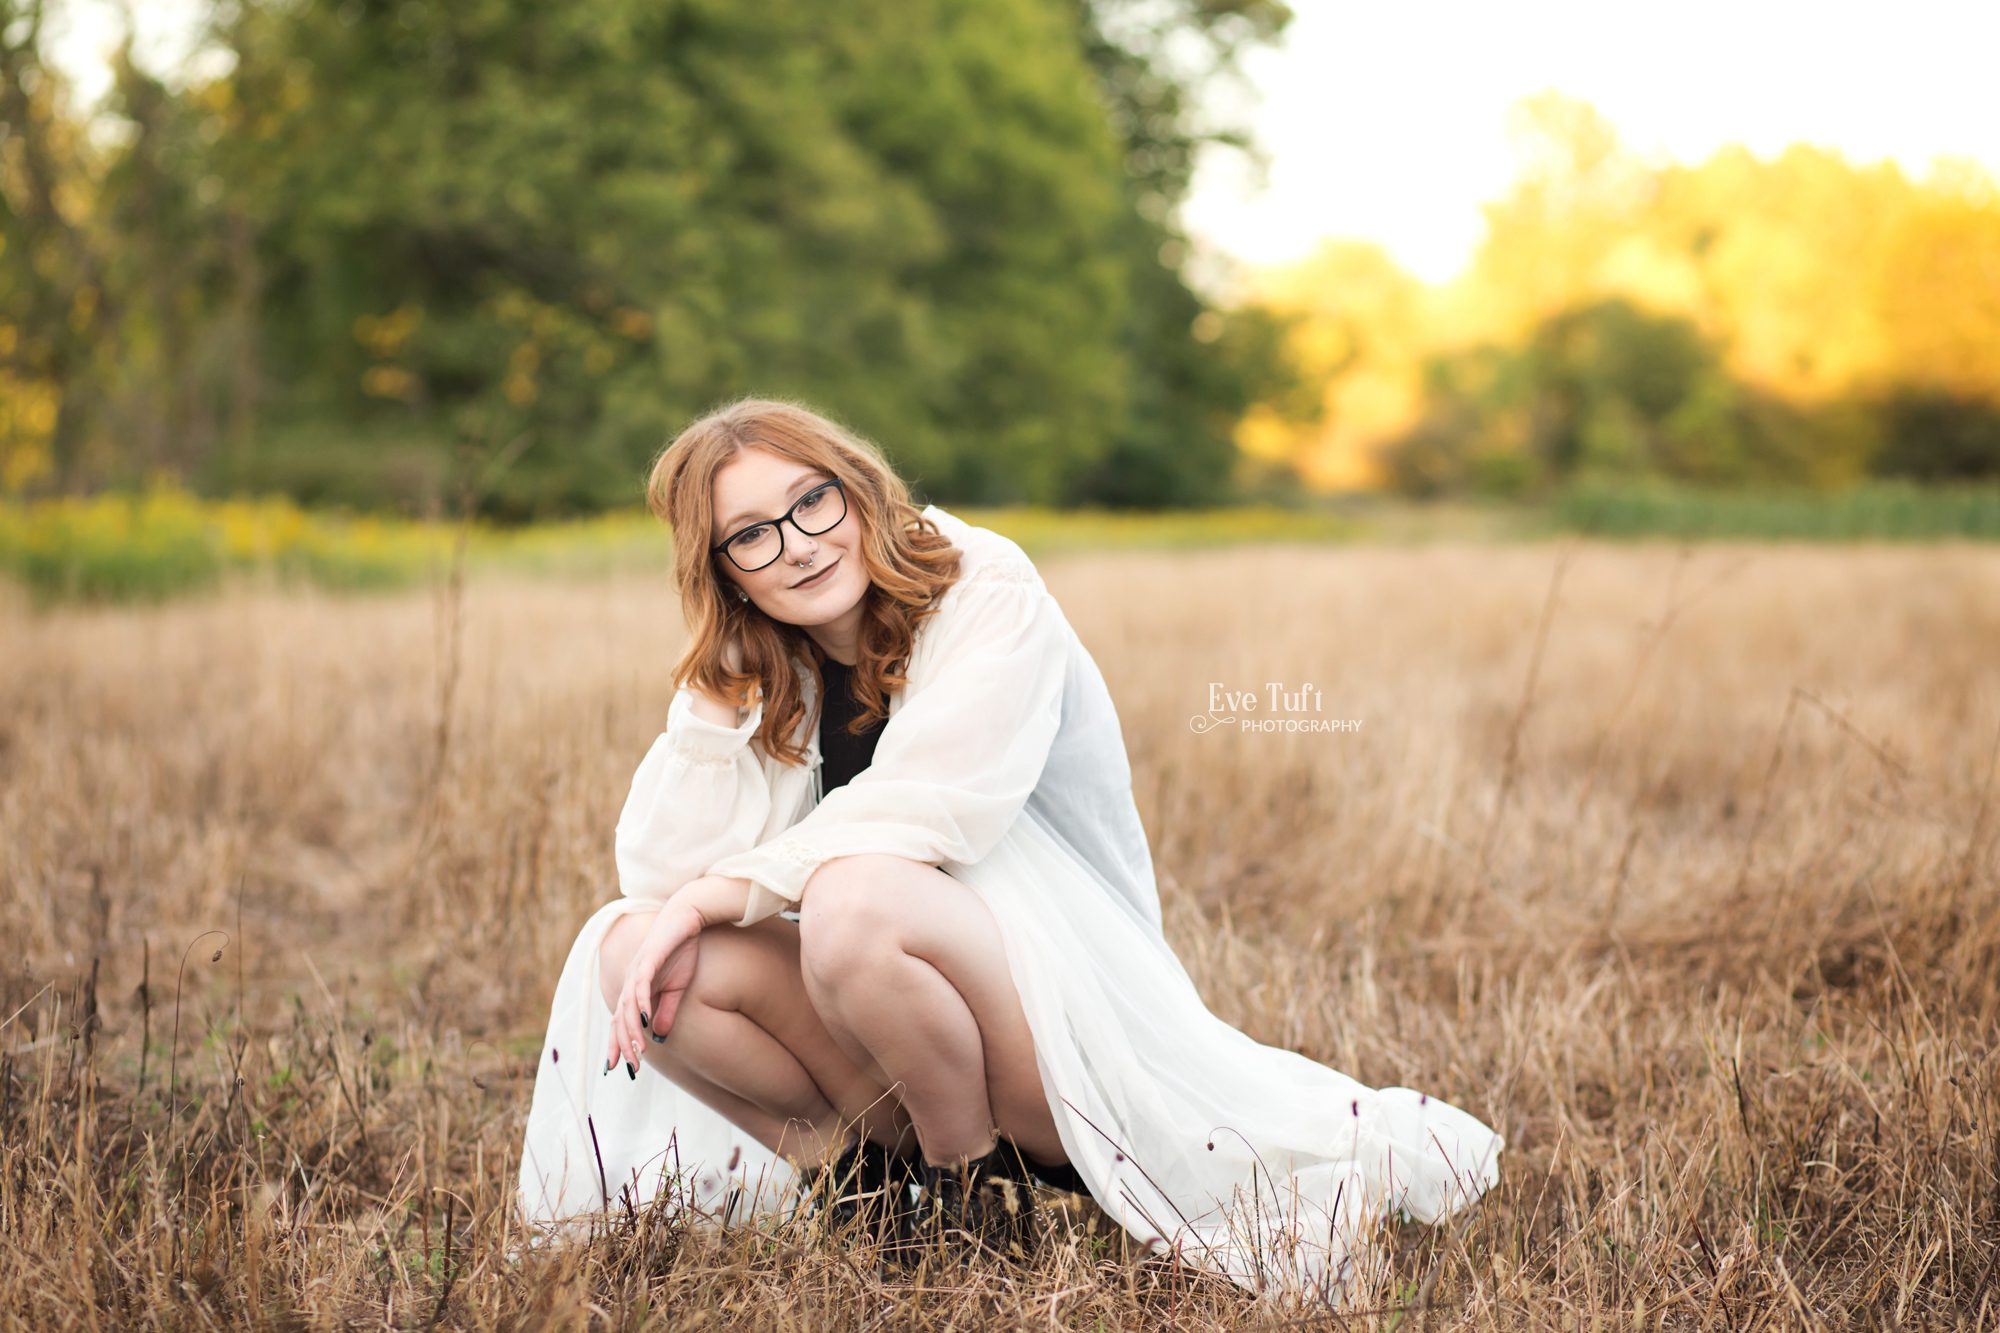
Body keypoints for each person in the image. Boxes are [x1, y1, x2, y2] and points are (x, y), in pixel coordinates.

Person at [516, 397, 1504, 1300]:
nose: (797, 546)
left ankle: (975, 1195)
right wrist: (718, 691)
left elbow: (933, 809)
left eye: (811, 502)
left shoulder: (982, 583)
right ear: (721, 570)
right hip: (885, 1040)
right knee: (631, 952)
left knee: (856, 897)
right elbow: (659, 873)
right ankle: (870, 1185)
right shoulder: (766, 665)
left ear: (854, 488)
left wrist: (704, 899)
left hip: (1050, 1018)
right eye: (749, 536)